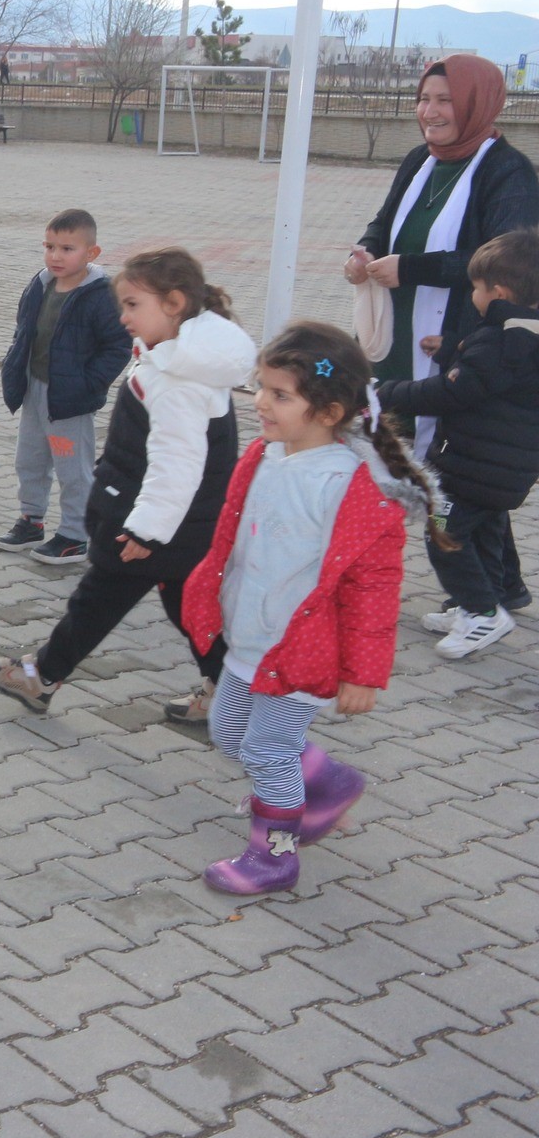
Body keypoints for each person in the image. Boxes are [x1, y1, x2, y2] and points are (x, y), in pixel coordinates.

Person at [179, 324, 437, 894]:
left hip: (303, 649)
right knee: (229, 734)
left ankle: (274, 855)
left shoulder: (353, 486)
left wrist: (362, 674)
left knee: (268, 750)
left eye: (280, 395)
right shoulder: (264, 455)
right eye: (262, 389)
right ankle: (326, 782)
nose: (261, 403)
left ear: (328, 411)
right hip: (253, 637)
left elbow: (374, 586)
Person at [0, 248, 255, 720]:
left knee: (99, 601)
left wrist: (146, 530)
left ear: (173, 303)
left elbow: (177, 465)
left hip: (156, 528)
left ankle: (40, 676)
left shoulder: (179, 380)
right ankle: (232, 697)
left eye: (131, 305)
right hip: (177, 525)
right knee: (187, 610)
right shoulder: (177, 357)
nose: (121, 315)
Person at [343, 53, 537, 606]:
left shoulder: (509, 171)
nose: (430, 111)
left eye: (445, 100)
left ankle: (470, 587)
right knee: (452, 466)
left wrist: (412, 267)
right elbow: (386, 222)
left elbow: (510, 266)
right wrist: (368, 251)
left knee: (455, 465)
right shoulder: (419, 160)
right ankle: (502, 585)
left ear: (478, 103)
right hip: (401, 330)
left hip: (466, 341)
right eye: (424, 98)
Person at [380, 228, 539, 659]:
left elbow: (452, 393)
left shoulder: (500, 340)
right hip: (501, 470)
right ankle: (477, 602)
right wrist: (453, 350)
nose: (472, 294)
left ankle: (482, 612)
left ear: (498, 291)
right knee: (483, 533)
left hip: (473, 466)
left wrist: (388, 392)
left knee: (444, 535)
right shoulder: (522, 336)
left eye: (475, 287)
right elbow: (488, 378)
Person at [0, 208, 132, 565]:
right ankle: (31, 519)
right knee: (29, 460)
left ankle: (74, 534)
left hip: (68, 403)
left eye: (67, 248)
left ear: (92, 253)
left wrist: (88, 385)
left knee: (72, 468)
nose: (56, 256)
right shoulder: (41, 283)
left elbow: (117, 347)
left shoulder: (101, 295)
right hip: (34, 393)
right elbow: (24, 328)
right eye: (50, 246)